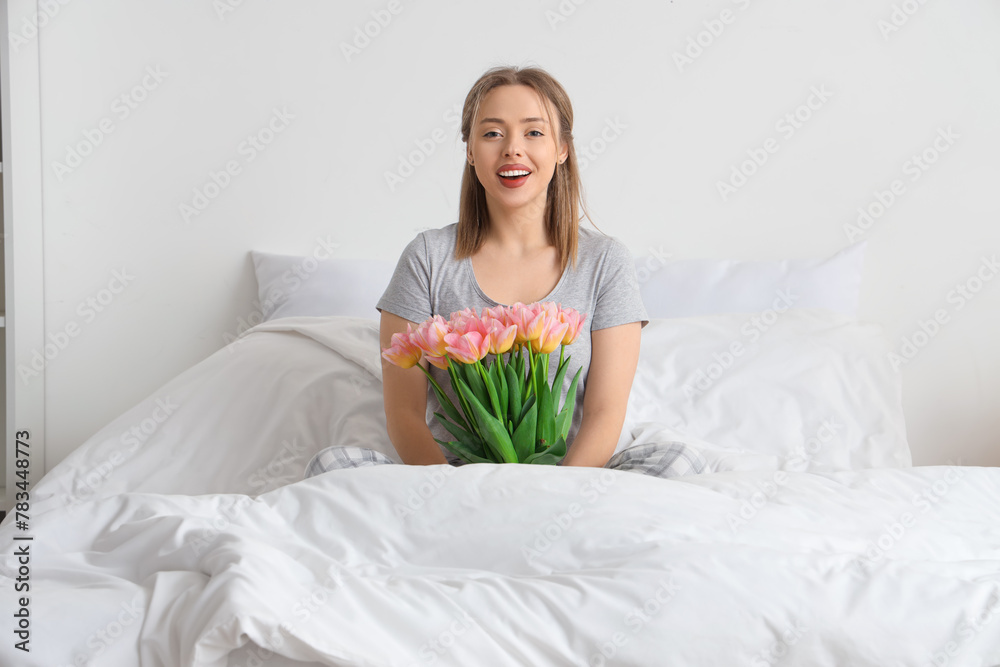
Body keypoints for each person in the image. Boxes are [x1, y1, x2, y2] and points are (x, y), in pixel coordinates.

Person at [304, 65, 706, 480]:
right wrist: (450, 496)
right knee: (330, 466)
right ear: (470, 150)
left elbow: (605, 413)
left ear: (562, 148)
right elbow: (405, 415)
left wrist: (557, 496)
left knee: (679, 462)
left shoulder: (604, 262)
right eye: (493, 133)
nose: (513, 149)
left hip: (575, 482)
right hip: (449, 484)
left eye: (534, 132)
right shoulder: (427, 257)